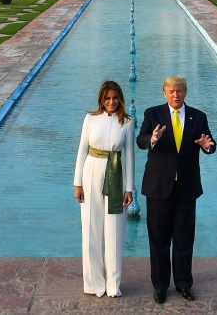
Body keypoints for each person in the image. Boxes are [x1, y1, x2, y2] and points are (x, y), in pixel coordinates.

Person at [136, 75, 217, 304]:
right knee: (159, 240)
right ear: (164, 93)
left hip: (186, 188)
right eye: (171, 91)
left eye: (179, 91)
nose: (175, 95)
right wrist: (152, 139)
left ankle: (183, 283)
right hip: (159, 188)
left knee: (184, 239)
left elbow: (210, 143)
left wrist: (208, 147)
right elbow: (140, 140)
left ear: (185, 92)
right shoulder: (153, 114)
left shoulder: (198, 117)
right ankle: (160, 286)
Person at [73, 80, 135, 297]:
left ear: (120, 99)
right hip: (91, 173)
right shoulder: (90, 119)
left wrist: (130, 189)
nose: (111, 102)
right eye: (107, 98)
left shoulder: (127, 122)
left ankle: (112, 285)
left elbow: (130, 157)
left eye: (115, 98)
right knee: (91, 229)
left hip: (117, 173)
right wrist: (77, 183)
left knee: (115, 231)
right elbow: (81, 151)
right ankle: (93, 283)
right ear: (101, 99)